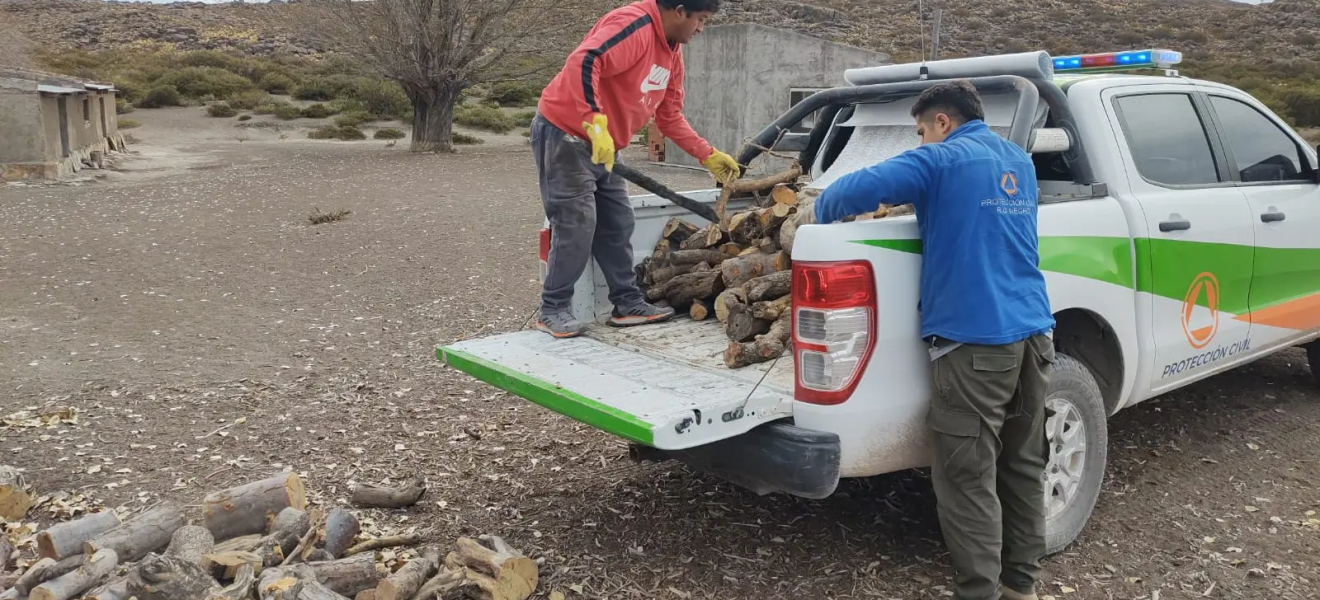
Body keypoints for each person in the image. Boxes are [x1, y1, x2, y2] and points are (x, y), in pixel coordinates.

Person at [813, 80, 1057, 600]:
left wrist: (817, 212)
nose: (921, 140)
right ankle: (1021, 585)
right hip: (1035, 334)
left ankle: (978, 593)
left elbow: (845, 194)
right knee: (1023, 463)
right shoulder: (1018, 160)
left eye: (922, 130)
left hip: (974, 345)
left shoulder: (941, 160)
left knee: (966, 477)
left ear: (942, 123)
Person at [530, 0, 740, 338]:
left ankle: (627, 304)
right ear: (680, 11)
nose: (702, 28)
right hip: (565, 134)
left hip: (605, 144)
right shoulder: (635, 25)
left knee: (618, 220)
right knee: (576, 222)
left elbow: (668, 116)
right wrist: (594, 122)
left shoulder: (672, 53)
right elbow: (585, 61)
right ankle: (552, 309)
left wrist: (707, 154)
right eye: (700, 19)